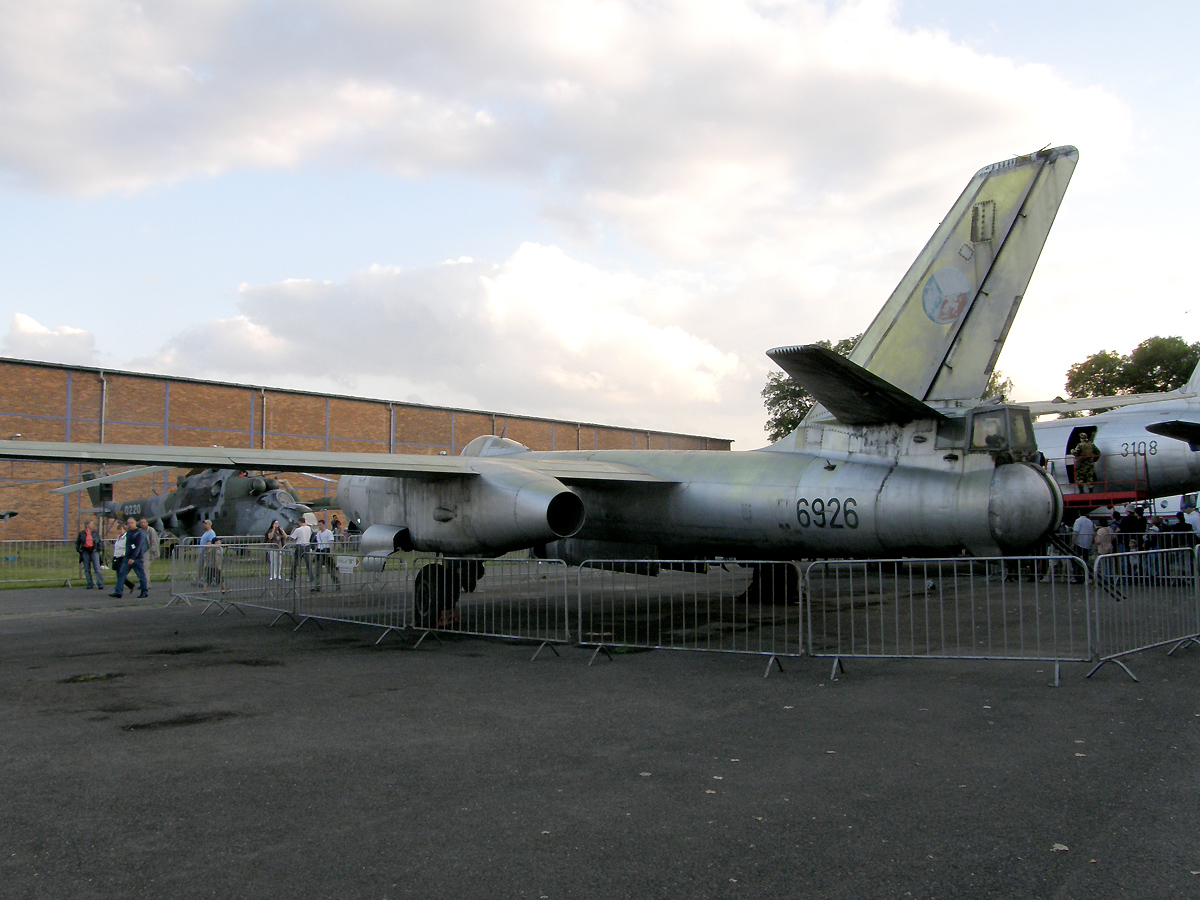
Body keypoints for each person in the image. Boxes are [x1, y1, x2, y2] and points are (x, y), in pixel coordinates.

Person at [110, 517, 149, 598]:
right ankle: (118, 592)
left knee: (141, 575)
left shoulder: (139, 533)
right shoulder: (128, 533)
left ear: (135, 523)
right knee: (121, 574)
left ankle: (144, 591)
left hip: (137, 558)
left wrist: (133, 558)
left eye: (132, 523)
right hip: (127, 557)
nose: (130, 525)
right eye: (128, 523)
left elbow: (138, 547)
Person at [312, 519, 340, 592]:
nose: (319, 526)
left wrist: (330, 552)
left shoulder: (328, 532)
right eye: (318, 525)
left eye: (320, 525)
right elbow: (317, 543)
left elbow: (331, 542)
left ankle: (337, 584)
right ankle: (316, 586)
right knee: (317, 570)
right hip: (319, 551)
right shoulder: (318, 533)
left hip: (326, 551)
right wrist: (315, 552)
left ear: (324, 525)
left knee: (331, 570)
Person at [74, 520, 104, 589]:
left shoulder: (94, 533)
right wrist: (79, 550)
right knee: (87, 568)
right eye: (90, 524)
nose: (92, 525)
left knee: (97, 568)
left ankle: (100, 583)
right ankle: (90, 583)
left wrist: (98, 549)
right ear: (86, 525)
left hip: (94, 551)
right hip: (85, 551)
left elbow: (99, 542)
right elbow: (77, 543)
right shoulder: (82, 533)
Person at [109, 520, 136, 593]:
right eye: (119, 530)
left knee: (121, 574)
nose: (120, 531)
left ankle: (119, 590)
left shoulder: (127, 537)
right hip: (116, 557)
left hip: (122, 557)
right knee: (119, 575)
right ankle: (130, 585)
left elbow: (128, 547)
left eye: (121, 529)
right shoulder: (118, 537)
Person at [1070, 513, 1095, 583]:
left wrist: (1073, 543)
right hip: (1087, 543)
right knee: (1085, 561)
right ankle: (1087, 576)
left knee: (1075, 560)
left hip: (1079, 543)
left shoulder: (1078, 521)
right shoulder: (1090, 522)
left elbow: (1076, 532)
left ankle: (1077, 577)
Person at [289, 518, 315, 583]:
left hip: (300, 545)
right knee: (308, 562)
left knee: (295, 562)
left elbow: (291, 538)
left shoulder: (298, 529)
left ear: (299, 522)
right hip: (307, 545)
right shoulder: (309, 528)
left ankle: (293, 577)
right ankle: (311, 576)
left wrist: (292, 531)